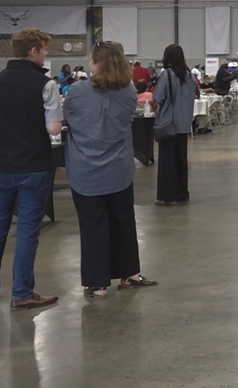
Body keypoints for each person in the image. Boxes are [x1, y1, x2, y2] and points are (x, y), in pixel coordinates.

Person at [0, 28, 63, 311]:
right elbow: (53, 129)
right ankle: (22, 291)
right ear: (34, 51)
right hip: (32, 165)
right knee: (27, 229)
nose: (46, 54)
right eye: (45, 50)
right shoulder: (45, 85)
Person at [64, 41, 158, 299]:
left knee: (93, 225)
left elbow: (68, 120)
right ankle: (129, 273)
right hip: (118, 168)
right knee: (124, 220)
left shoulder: (77, 91)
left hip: (85, 169)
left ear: (95, 63)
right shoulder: (128, 92)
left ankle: (97, 283)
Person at [155, 44, 196, 206]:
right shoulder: (189, 76)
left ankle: (168, 195)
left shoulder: (167, 75)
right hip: (184, 123)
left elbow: (158, 97)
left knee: (167, 162)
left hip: (169, 123)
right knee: (181, 160)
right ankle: (181, 193)